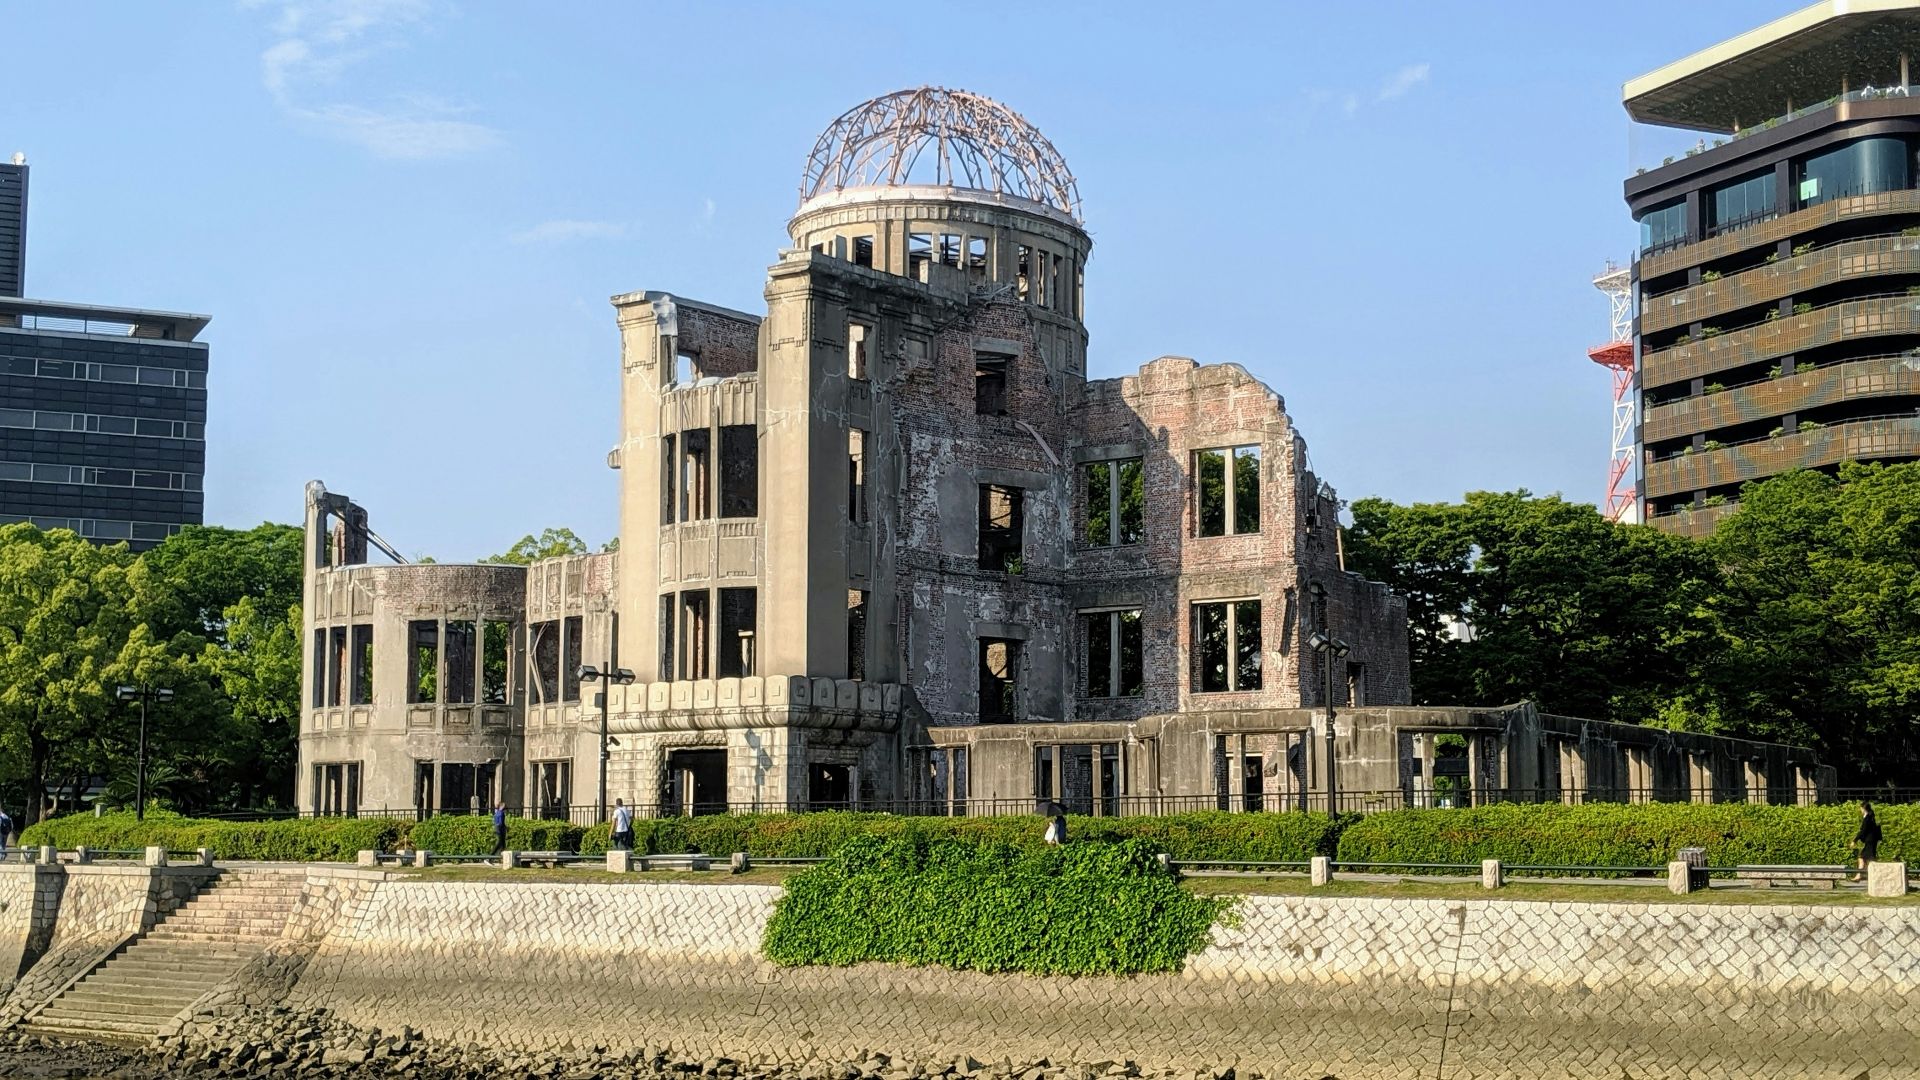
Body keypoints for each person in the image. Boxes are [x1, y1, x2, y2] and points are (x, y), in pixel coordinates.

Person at [1853, 801, 1881, 881]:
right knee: (1867, 858)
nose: (1860, 810)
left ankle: (1860, 876)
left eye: (1861, 808)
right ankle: (1860, 875)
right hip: (1871, 841)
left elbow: (1863, 831)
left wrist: (1854, 840)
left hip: (1870, 841)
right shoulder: (1870, 817)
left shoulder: (1867, 818)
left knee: (1864, 858)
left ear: (1864, 808)